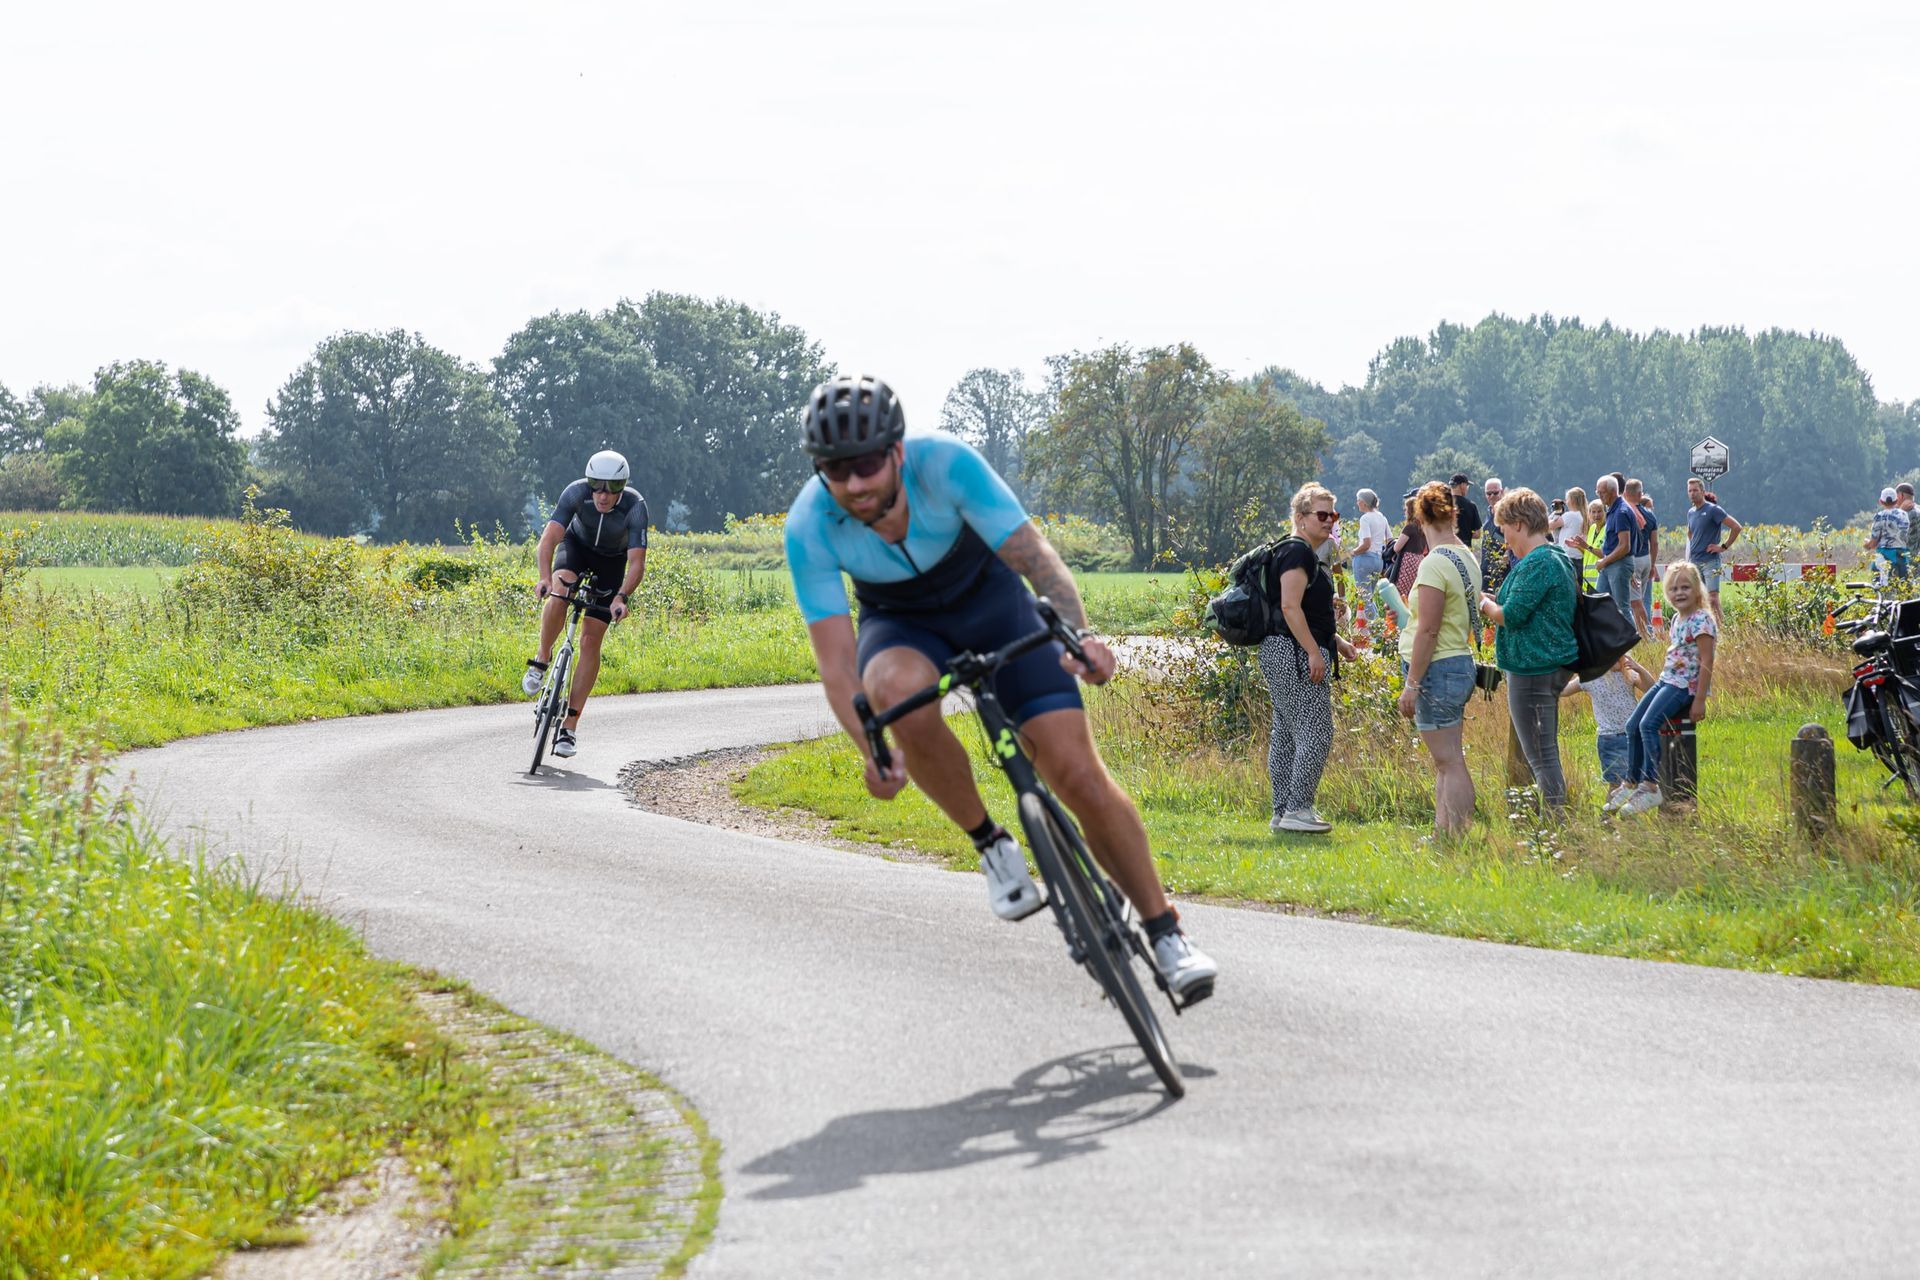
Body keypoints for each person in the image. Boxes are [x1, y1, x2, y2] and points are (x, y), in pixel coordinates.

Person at [782, 375, 1217, 997]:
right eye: (834, 470)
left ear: (898, 452)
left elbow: (1036, 560)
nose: (854, 485)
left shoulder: (948, 464)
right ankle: (991, 843)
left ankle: (1166, 931)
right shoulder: (809, 524)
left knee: (1078, 775)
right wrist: (872, 753)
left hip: (994, 605)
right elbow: (837, 665)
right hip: (900, 624)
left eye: (869, 463)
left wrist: (1079, 640)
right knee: (891, 688)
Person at [522, 450, 649, 759]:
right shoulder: (576, 493)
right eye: (596, 484)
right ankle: (542, 659)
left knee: (591, 641)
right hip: (576, 547)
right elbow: (549, 540)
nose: (603, 494)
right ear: (588, 482)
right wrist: (544, 578)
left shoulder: (635, 507)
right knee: (561, 588)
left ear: (623, 486)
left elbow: (636, 564)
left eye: (612, 487)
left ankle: (570, 726)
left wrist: (622, 596)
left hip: (612, 561)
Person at [1262, 483, 1359, 834]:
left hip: (1284, 649)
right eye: (1321, 514)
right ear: (1301, 518)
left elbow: (1299, 610)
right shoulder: (1298, 552)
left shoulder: (1299, 552)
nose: (1330, 520)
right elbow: (1289, 607)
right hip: (1292, 652)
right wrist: (1314, 651)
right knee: (1317, 731)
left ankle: (1283, 810)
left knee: (1287, 734)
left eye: (1333, 514)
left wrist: (1336, 641)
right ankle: (1297, 808)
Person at [1478, 488, 1579, 813]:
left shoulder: (1537, 563)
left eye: (1504, 529)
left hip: (1534, 668)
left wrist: (1483, 603)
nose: (1504, 538)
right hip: (1547, 664)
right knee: (1543, 752)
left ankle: (1553, 822)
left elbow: (1511, 615)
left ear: (1519, 524)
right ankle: (1549, 817)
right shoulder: (1556, 556)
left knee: (1540, 756)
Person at [1395, 482, 1481, 837]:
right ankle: (1442, 832)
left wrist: (1411, 684)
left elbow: (1428, 630)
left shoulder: (1434, 563)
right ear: (1453, 514)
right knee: (1446, 761)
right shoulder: (1465, 555)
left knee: (1450, 761)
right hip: (1457, 661)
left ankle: (1456, 835)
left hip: (1437, 669)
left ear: (1420, 518)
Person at [1611, 561, 1718, 815]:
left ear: (1697, 590)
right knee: (1632, 725)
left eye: (1685, 587)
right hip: (1667, 680)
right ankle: (1631, 781)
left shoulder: (1702, 620)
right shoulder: (1678, 619)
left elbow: (1707, 659)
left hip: (1684, 685)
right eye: (1673, 589)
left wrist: (1700, 699)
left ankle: (1650, 785)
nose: (1679, 593)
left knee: (1649, 725)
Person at [1565, 654, 1655, 811]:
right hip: (1610, 739)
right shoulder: (1590, 679)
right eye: (1615, 656)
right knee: (1616, 783)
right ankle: (1608, 820)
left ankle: (1630, 821)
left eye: (1621, 656)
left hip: (1633, 737)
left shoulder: (1627, 675)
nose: (1620, 660)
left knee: (1635, 782)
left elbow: (1651, 688)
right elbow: (1562, 691)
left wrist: (1639, 668)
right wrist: (1570, 669)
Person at [1684, 478, 1741, 627]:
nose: (1692, 494)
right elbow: (1690, 533)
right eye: (1690, 491)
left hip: (1710, 561)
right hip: (1694, 562)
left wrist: (1723, 546)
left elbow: (1736, 527)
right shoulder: (1690, 512)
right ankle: (1703, 629)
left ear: (1703, 491)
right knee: (1698, 599)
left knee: (1713, 598)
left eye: (1695, 490)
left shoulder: (1713, 510)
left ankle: (1721, 630)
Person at [1592, 475, 1637, 622]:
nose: (1599, 495)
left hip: (1618, 564)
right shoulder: (1612, 510)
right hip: (1610, 563)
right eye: (1597, 492)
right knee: (1599, 604)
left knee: (1622, 608)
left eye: (1602, 492)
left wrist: (1604, 562)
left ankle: (1632, 643)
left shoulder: (1621, 512)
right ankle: (1609, 641)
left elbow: (1624, 546)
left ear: (1612, 491)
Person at [1623, 479, 1659, 638]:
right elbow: (1655, 542)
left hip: (1633, 559)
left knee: (1635, 602)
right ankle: (1642, 633)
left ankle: (1644, 637)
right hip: (1646, 559)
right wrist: (1652, 564)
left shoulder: (1625, 512)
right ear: (1640, 494)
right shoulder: (1650, 514)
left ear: (1625, 493)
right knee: (1640, 599)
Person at [1351, 489, 1391, 619]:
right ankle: (1374, 626)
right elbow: (1389, 539)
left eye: (1358, 501)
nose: (1357, 503)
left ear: (1363, 502)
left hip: (1365, 559)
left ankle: (1373, 629)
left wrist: (1353, 552)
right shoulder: (1382, 517)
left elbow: (1366, 543)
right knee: (1370, 597)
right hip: (1378, 561)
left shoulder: (1365, 518)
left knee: (1364, 597)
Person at [1865, 486, 1911, 584]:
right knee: (1904, 586)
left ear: (1881, 501)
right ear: (1896, 500)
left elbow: (1873, 543)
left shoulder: (1879, 517)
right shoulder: (1904, 514)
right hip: (1901, 555)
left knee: (1878, 583)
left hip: (1884, 555)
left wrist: (1866, 544)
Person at [1391, 492, 1429, 596]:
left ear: (1410, 511)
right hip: (1419, 560)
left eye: (1406, 509)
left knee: (1400, 593)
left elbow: (1397, 548)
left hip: (1408, 562)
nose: (1405, 511)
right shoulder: (1422, 527)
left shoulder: (1409, 528)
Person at [1480, 476, 1512, 594]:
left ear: (1502, 492)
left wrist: (1507, 555)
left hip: (1503, 567)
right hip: (1487, 566)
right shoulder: (1489, 512)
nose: (1492, 496)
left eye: (1495, 493)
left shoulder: (1507, 512)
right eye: (1488, 493)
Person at [1552, 486, 1588, 566]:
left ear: (1572, 501)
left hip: (1568, 558)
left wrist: (1555, 514)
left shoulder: (1570, 515)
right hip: (1580, 558)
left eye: (1567, 499)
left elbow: (1549, 526)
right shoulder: (1585, 516)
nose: (1565, 502)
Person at [1451, 472, 1482, 548]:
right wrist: (1466, 534)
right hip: (1465, 548)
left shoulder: (1443, 504)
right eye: (1467, 485)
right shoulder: (1471, 506)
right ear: (1462, 486)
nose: (1467, 488)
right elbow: (1478, 534)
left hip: (1446, 548)